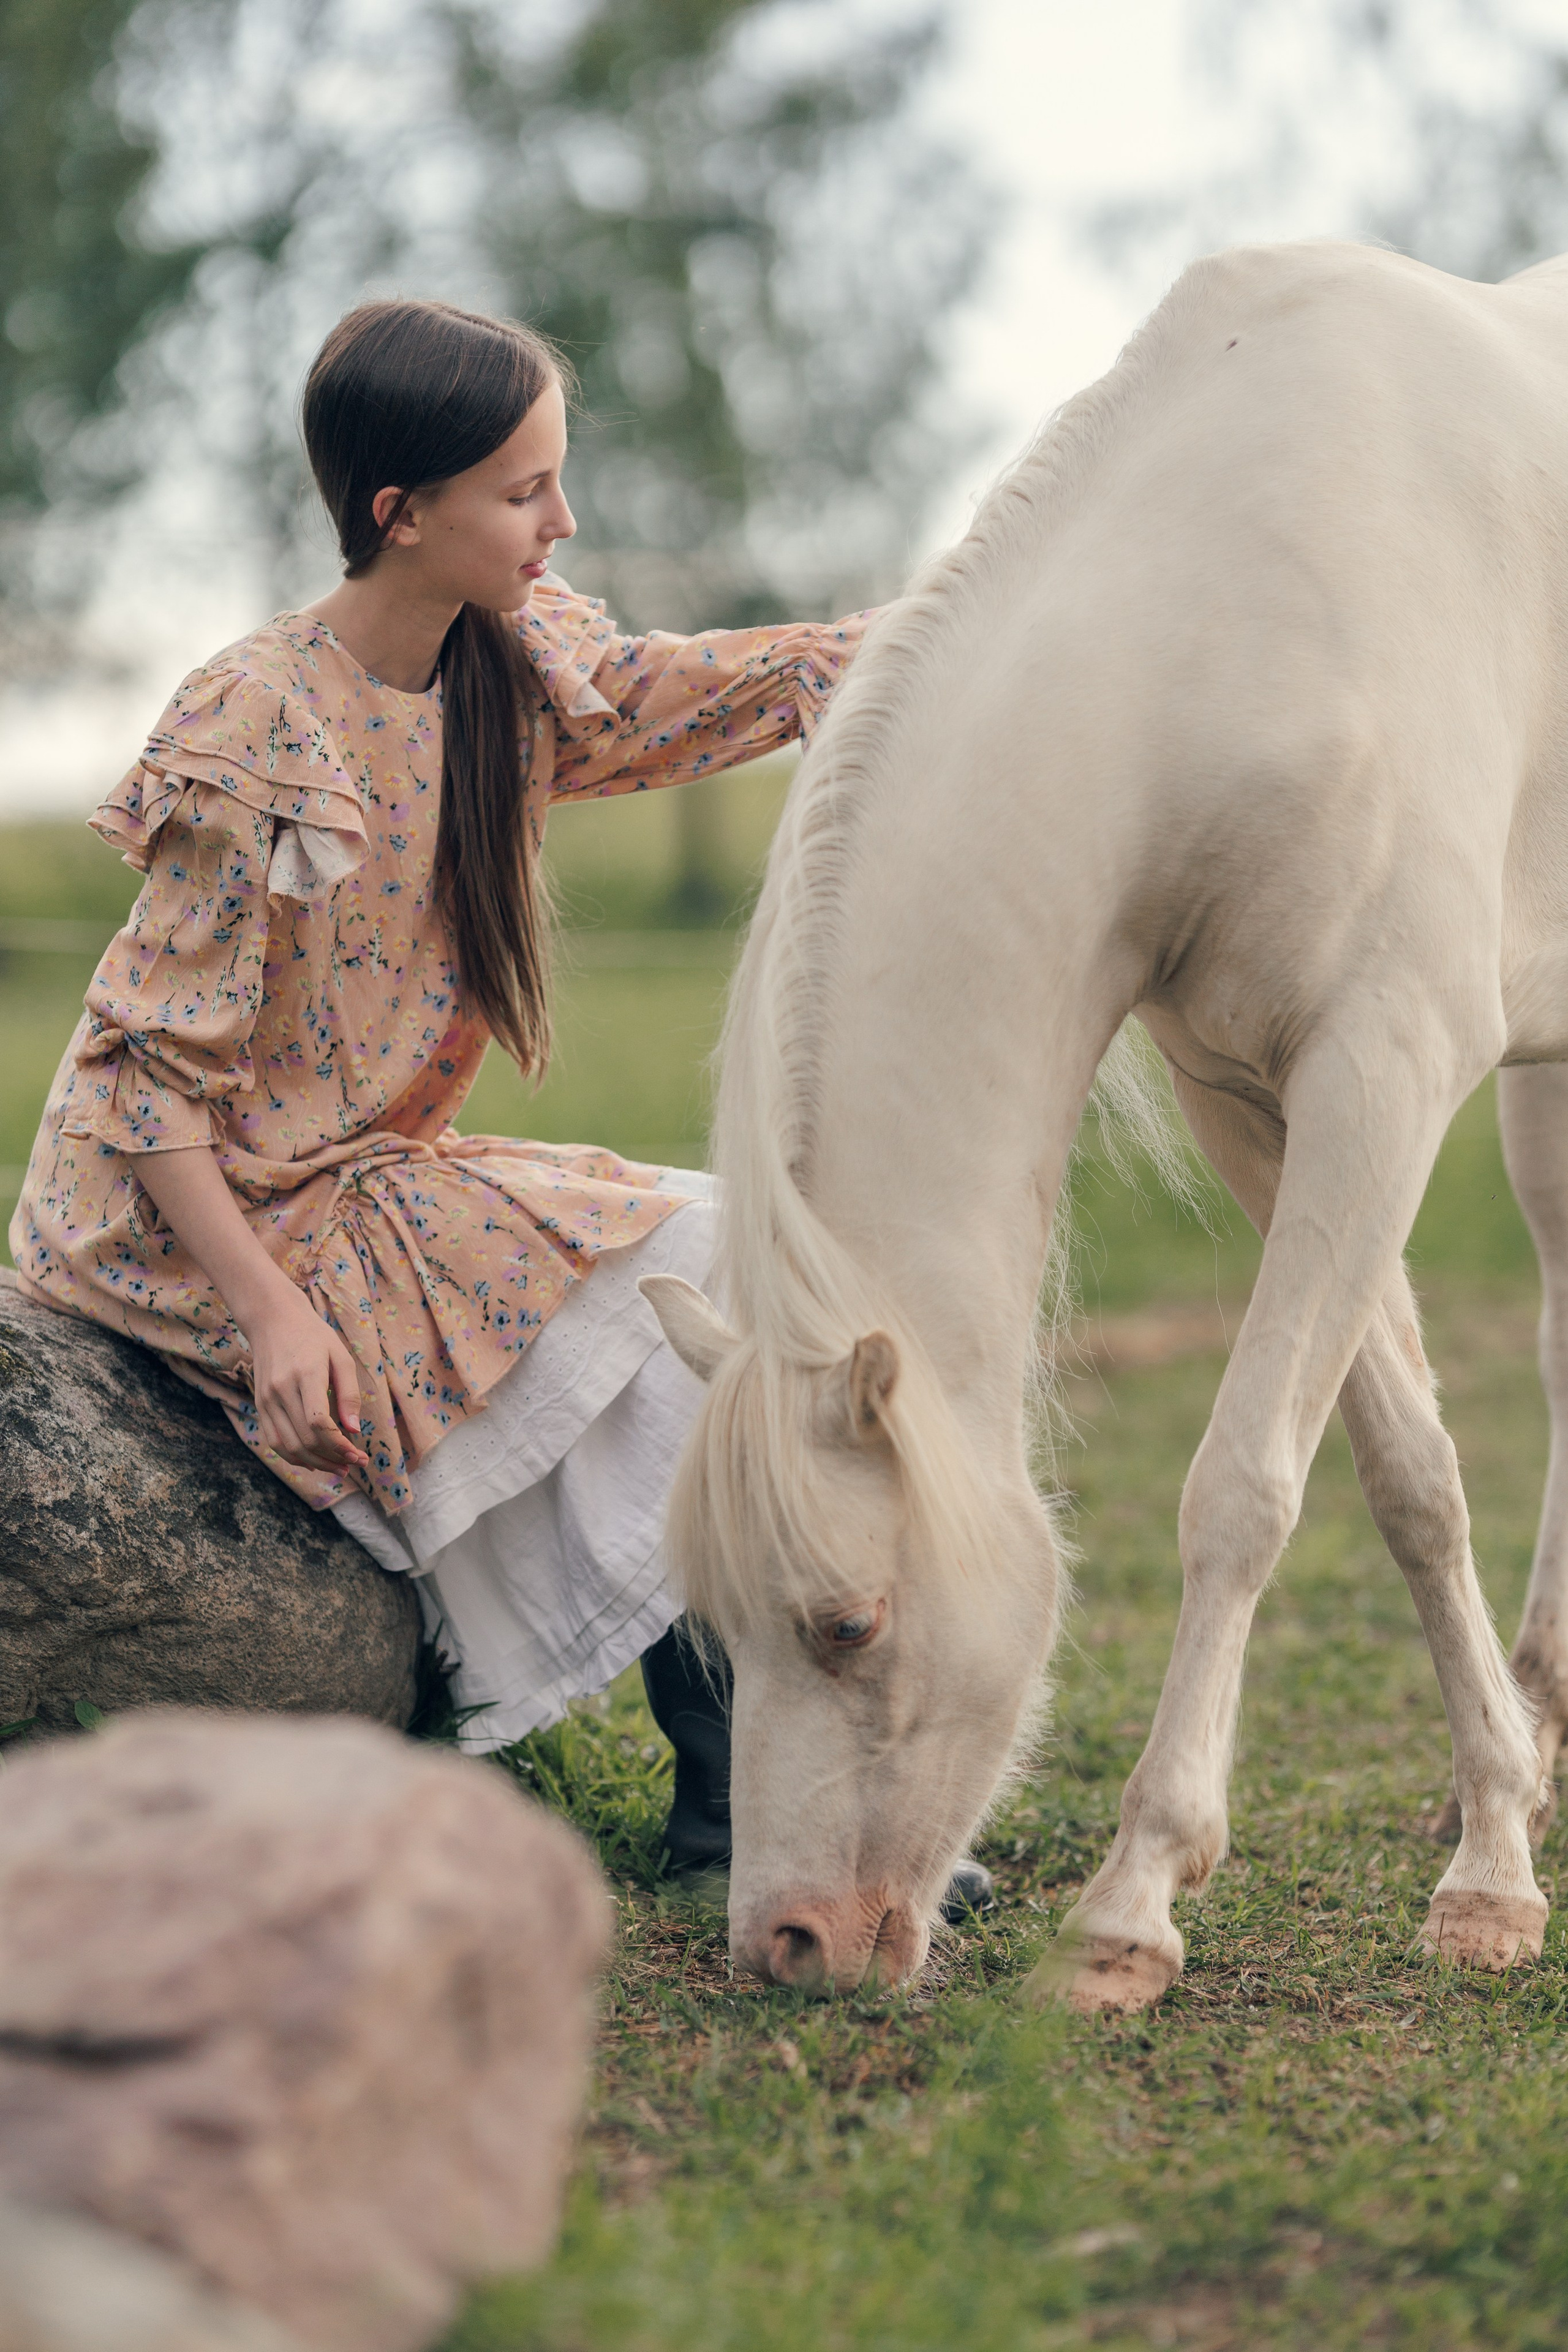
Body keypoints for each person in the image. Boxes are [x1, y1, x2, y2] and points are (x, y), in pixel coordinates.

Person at [11, 296, 992, 1920]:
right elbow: (146, 1086)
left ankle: (756, 1788)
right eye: (526, 489)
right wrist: (270, 1316)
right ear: (402, 511)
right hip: (194, 1218)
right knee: (664, 1309)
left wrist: (945, 623)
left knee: (726, 1262)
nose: (565, 520)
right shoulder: (256, 728)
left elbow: (696, 694)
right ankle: (730, 1810)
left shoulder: (511, 665)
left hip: (368, 1172)